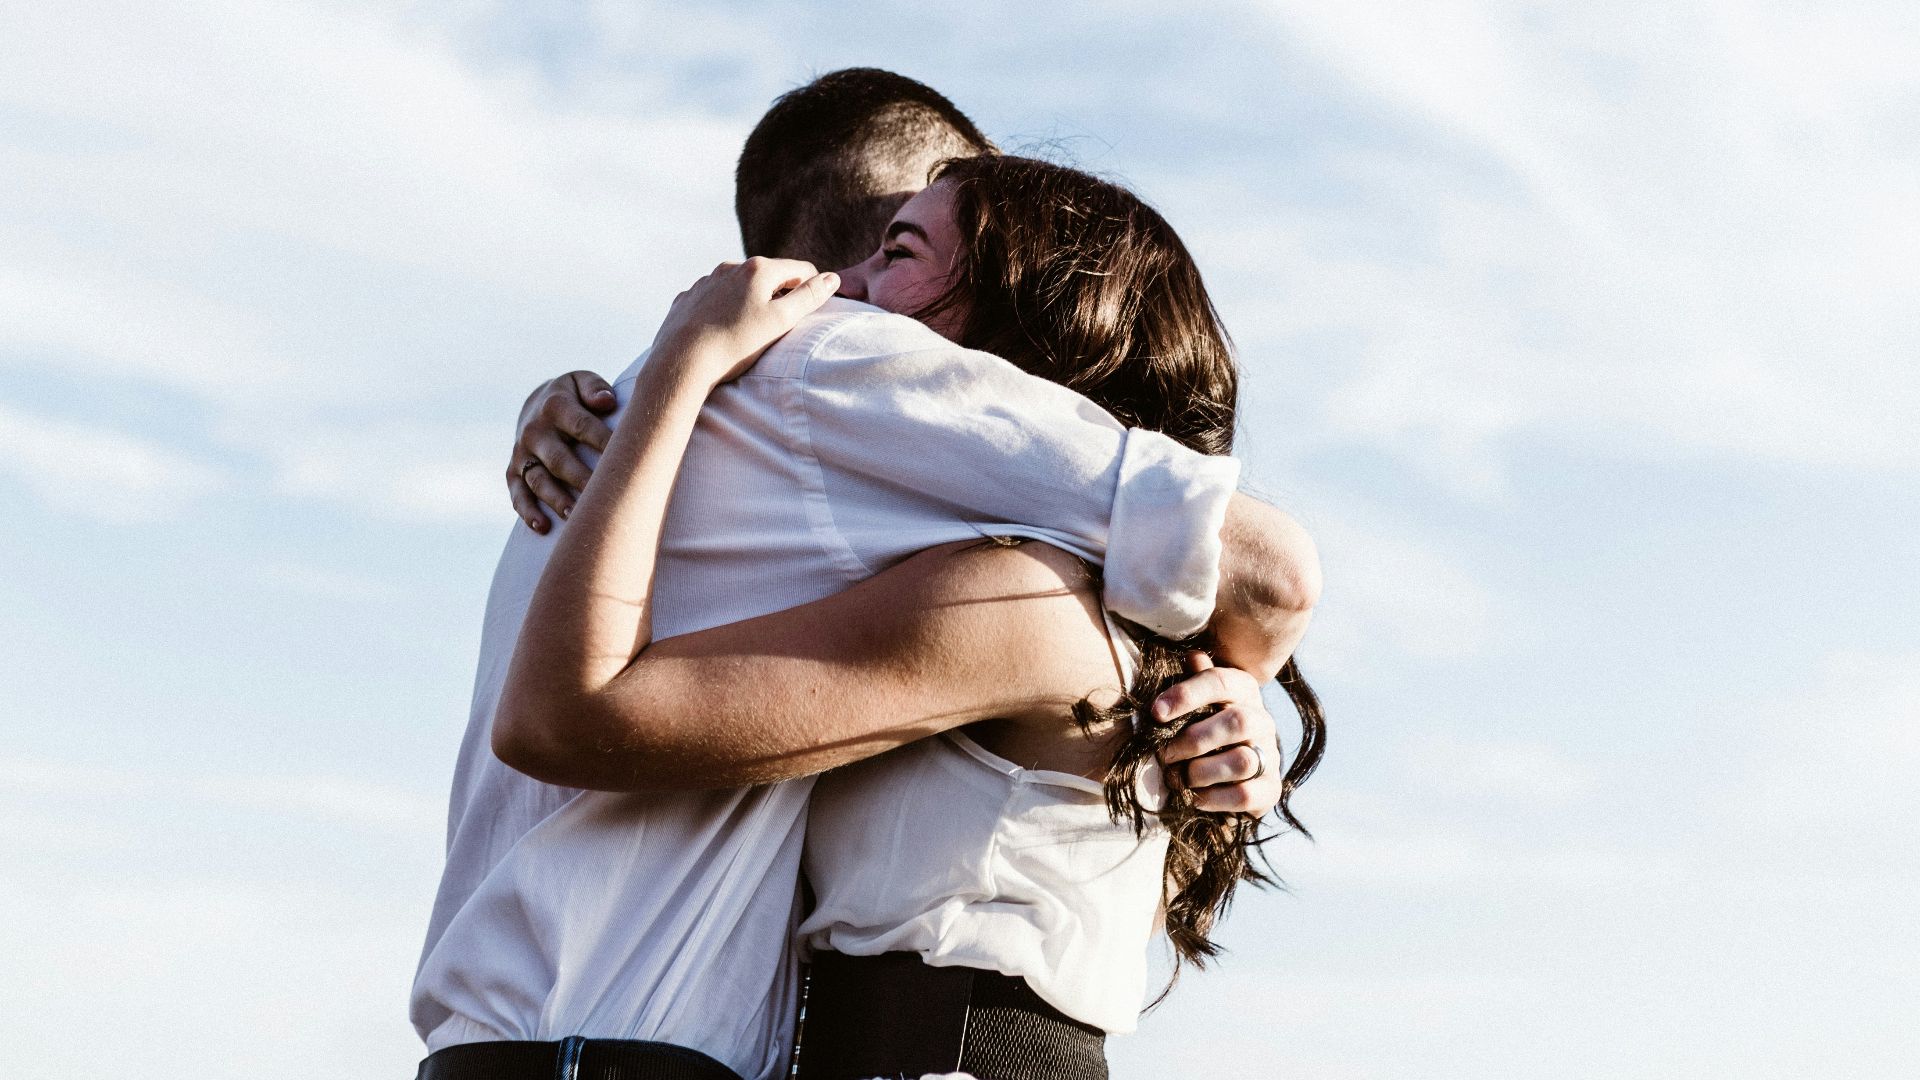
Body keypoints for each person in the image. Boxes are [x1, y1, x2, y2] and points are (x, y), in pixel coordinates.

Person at [412, 69, 1318, 1080]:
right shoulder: (830, 424)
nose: (843, 299)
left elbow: (1269, 574)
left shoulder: (1029, 599)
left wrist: (1233, 679)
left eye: (904, 256)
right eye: (891, 242)